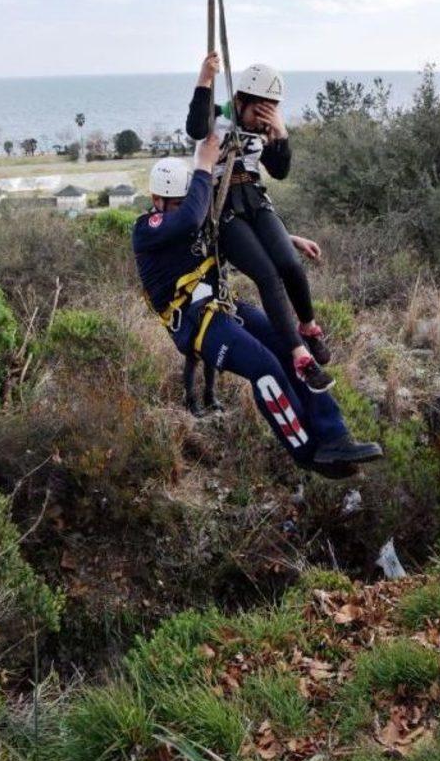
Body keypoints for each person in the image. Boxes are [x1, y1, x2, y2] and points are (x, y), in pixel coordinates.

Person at [132, 138, 383, 479]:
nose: (179, 208)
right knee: (264, 368)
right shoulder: (147, 229)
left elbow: (224, 228)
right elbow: (189, 220)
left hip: (223, 306)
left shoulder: (192, 216)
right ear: (156, 200)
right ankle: (307, 452)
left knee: (292, 345)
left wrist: (287, 239)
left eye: (182, 202)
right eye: (173, 204)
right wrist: (205, 165)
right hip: (195, 323)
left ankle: (334, 436)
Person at [186, 53, 333, 394]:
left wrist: (280, 135)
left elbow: (279, 171)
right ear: (239, 101)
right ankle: (301, 358)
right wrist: (204, 79)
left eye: (268, 113)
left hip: (255, 200)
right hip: (224, 208)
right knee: (267, 275)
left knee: (290, 266)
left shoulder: (264, 127)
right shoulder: (217, 118)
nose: (258, 122)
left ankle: (309, 328)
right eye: (256, 112)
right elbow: (194, 127)